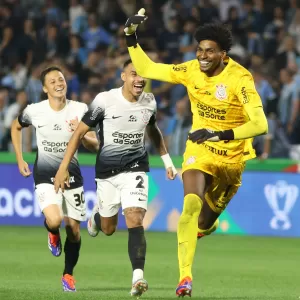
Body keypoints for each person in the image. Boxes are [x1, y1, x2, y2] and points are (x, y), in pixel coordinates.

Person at [123, 9, 268, 297]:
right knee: (190, 205)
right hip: (199, 148)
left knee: (203, 222)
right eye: (200, 49)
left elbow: (260, 124)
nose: (202, 56)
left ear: (223, 55)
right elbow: (150, 69)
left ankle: (205, 227)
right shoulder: (190, 70)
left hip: (232, 158)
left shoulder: (240, 78)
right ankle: (185, 278)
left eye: (210, 51)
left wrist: (220, 134)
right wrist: (130, 37)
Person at [53, 59, 177, 298]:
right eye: (134, 74)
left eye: (142, 76)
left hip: (136, 168)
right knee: (109, 228)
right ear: (123, 76)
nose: (139, 80)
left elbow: (152, 130)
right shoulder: (104, 101)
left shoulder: (150, 102)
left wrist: (167, 160)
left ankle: (138, 278)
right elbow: (79, 133)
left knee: (135, 217)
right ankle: (97, 219)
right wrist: (63, 168)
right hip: (107, 172)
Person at [11, 66, 99, 292]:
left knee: (74, 231)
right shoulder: (35, 110)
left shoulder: (80, 109)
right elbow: (16, 126)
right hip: (44, 174)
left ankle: (68, 274)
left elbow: (95, 144)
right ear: (44, 88)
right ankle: (51, 232)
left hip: (72, 176)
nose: (59, 83)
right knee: (54, 219)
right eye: (52, 81)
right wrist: (20, 158)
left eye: (61, 79)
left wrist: (81, 133)